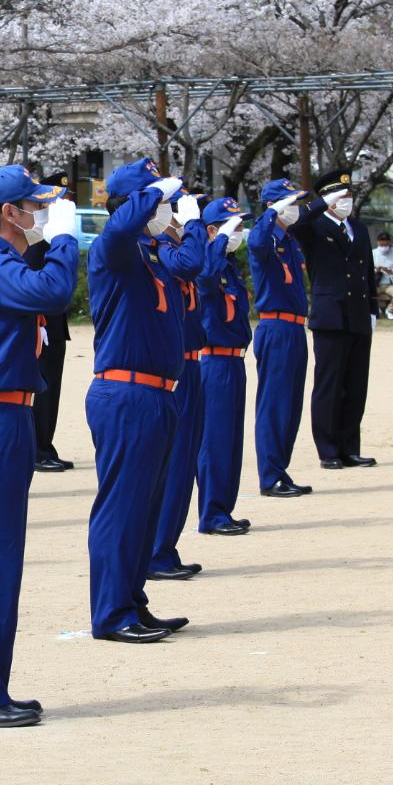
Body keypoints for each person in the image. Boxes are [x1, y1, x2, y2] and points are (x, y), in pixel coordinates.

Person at [0, 165, 79, 718]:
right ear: (10, 213)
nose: (39, 214)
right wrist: (66, 241)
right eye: (33, 206)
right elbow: (53, 290)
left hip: (4, 416)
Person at [84, 158, 194, 644]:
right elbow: (121, 225)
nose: (165, 208)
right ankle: (111, 612)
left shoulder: (150, 252)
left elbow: (191, 264)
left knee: (144, 511)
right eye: (157, 199)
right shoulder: (116, 248)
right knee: (122, 509)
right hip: (126, 391)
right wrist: (155, 193)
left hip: (157, 393)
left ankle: (132, 600)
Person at [290, 169, 378, 470]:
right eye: (340, 196)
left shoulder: (359, 228)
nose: (346, 200)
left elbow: (367, 273)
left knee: (356, 385)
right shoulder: (313, 227)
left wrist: (373, 310)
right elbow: (295, 224)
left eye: (349, 195)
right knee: (330, 384)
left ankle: (350, 447)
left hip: (357, 314)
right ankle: (327, 449)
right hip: (330, 315)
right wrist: (317, 204)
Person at [148, 189, 214, 583]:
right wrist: (192, 228)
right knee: (172, 466)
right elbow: (191, 263)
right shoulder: (160, 251)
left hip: (192, 365)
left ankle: (166, 546)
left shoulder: (172, 247)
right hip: (177, 370)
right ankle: (156, 550)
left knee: (185, 461)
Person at [246, 179, 314, 499]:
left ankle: (280, 469)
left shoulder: (288, 238)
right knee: (274, 405)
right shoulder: (266, 238)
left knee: (290, 406)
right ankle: (269, 474)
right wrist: (271, 212)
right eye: (291, 203)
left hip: (295, 328)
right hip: (275, 328)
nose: (296, 208)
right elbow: (256, 243)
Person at [195, 196, 253, 536]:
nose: (240, 232)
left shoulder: (228, 265)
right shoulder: (209, 262)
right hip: (214, 361)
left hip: (234, 360)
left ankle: (224, 508)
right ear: (214, 231)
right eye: (234, 227)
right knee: (215, 440)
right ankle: (212, 513)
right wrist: (215, 243)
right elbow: (204, 279)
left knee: (231, 440)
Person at [27, 174, 76, 474]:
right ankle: (39, 448)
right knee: (43, 389)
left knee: (52, 389)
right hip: (42, 325)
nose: (66, 202)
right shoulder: (38, 236)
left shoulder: (53, 233)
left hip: (55, 324)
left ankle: (47, 443)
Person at [372, 232, 393, 320]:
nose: (383, 246)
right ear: (377, 242)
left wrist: (391, 271)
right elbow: (365, 269)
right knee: (366, 293)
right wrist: (376, 270)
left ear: (390, 242)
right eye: (381, 244)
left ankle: (390, 311)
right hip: (376, 283)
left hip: (391, 284)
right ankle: (376, 310)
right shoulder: (373, 253)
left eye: (386, 244)